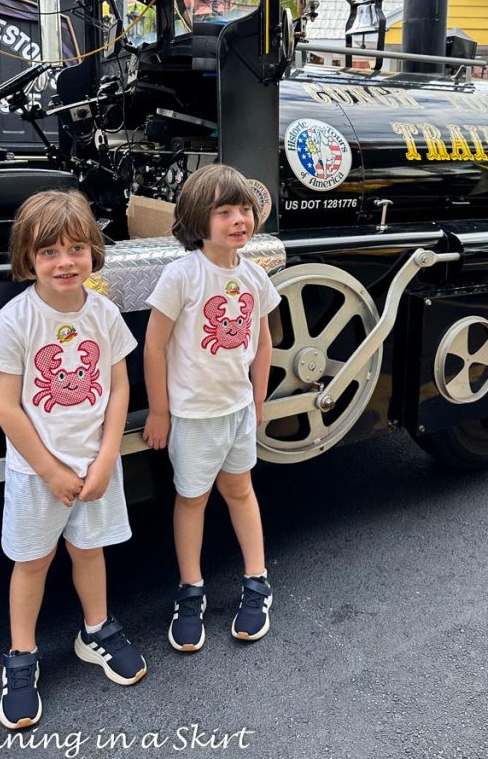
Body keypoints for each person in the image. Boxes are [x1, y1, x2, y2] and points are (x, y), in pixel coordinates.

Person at [0, 190, 146, 731]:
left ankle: (94, 630)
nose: (65, 261)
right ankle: (20, 656)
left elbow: (119, 388)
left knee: (89, 551)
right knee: (32, 562)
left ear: (95, 251)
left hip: (96, 464)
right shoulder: (12, 321)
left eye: (76, 248)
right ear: (28, 259)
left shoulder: (104, 312)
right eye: (49, 252)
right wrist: (50, 470)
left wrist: (104, 460)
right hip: (37, 474)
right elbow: (7, 407)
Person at [143, 164, 280, 651]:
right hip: (193, 416)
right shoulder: (182, 274)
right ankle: (191, 589)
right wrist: (159, 411)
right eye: (224, 212)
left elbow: (263, 343)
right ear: (199, 220)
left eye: (244, 209)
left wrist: (258, 398)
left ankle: (257, 579)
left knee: (241, 492)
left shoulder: (255, 276)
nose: (239, 219)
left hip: (238, 411)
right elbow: (153, 345)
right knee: (192, 500)